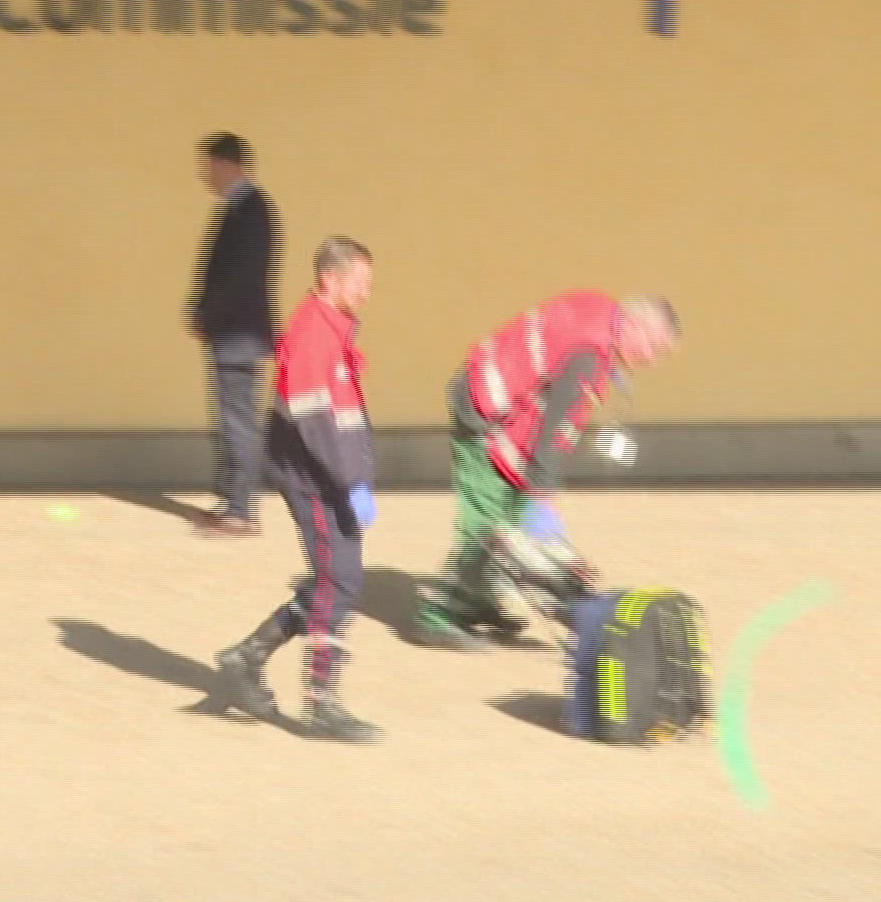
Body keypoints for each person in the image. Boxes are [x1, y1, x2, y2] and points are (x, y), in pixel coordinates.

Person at [411, 292, 681, 650]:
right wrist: (542, 493)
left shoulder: (598, 311)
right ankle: (439, 615)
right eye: (653, 347)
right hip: (484, 411)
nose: (651, 359)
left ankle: (476, 601)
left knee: (510, 518)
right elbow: (556, 425)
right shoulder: (591, 351)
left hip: (499, 405)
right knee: (487, 524)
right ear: (634, 326)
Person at [214, 237, 380, 742]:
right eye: (360, 282)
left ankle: (247, 657)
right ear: (330, 279)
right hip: (311, 474)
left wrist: (359, 477)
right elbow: (315, 422)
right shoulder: (313, 332)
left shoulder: (330, 328)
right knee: (340, 579)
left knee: (337, 579)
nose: (367, 292)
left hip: (327, 474)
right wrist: (351, 482)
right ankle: (319, 702)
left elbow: (341, 415)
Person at [187, 133, 281, 538]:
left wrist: (208, 313)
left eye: (208, 166)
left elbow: (239, 277)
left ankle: (242, 510)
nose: (205, 175)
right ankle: (230, 501)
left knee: (238, 421)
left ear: (227, 164)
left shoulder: (252, 210)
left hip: (238, 334)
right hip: (231, 332)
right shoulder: (238, 208)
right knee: (229, 419)